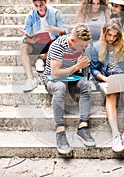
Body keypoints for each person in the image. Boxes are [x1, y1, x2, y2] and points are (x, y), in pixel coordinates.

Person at [42, 24, 96, 154]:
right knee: (60, 87)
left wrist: (82, 68)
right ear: (72, 40)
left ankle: (83, 127)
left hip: (71, 78)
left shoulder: (82, 44)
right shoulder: (58, 46)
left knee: (86, 85)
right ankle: (60, 130)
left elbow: (80, 69)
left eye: (86, 45)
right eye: (82, 46)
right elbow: (55, 74)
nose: (84, 48)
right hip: (53, 79)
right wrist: (78, 66)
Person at [90, 18, 124, 152]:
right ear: (104, 32)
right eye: (109, 35)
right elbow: (94, 70)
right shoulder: (97, 46)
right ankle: (116, 135)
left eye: (115, 35)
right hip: (108, 77)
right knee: (111, 95)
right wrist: (104, 79)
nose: (111, 38)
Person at [20, 0, 68, 92]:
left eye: (41, 5)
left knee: (61, 43)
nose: (39, 8)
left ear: (45, 1)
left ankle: (42, 58)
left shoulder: (55, 13)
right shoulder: (30, 16)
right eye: (36, 5)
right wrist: (29, 40)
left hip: (52, 44)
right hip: (36, 44)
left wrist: (56, 30)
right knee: (23, 47)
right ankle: (30, 80)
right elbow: (24, 36)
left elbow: (66, 32)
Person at [75, 0, 110, 89]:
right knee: (89, 46)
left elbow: (109, 27)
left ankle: (97, 76)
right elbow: (79, 29)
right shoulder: (84, 13)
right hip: (87, 41)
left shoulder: (105, 12)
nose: (96, 6)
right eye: (93, 4)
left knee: (98, 46)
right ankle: (87, 77)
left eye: (98, 4)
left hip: (102, 40)